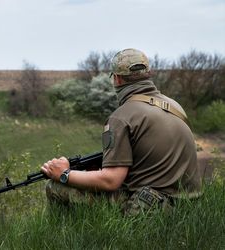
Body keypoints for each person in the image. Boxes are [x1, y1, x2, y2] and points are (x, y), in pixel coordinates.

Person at [41, 48, 202, 214]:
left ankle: (66, 237)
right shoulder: (175, 106)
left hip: (151, 207)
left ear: (117, 79)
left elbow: (111, 181)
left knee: (55, 187)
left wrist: (64, 174)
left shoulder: (120, 118)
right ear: (149, 73)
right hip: (189, 204)